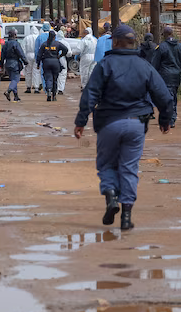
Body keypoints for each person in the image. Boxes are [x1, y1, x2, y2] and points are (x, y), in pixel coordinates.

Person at [74, 25, 174, 231]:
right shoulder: (144, 66)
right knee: (129, 168)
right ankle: (126, 216)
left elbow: (90, 94)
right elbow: (164, 96)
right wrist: (165, 120)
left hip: (109, 122)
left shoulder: (104, 65)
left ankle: (111, 197)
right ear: (132, 43)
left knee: (107, 164)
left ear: (115, 42)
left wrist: (81, 121)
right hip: (137, 124)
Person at [151, 26, 181, 128]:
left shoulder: (161, 47)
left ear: (164, 35)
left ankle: (170, 119)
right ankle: (172, 117)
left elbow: (155, 63)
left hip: (165, 76)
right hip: (176, 76)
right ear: (172, 34)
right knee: (173, 97)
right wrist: (178, 70)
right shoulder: (179, 46)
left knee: (168, 98)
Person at [36, 30, 70, 102]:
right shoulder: (57, 44)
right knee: (55, 79)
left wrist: (38, 64)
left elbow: (39, 55)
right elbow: (66, 49)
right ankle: (54, 96)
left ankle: (48, 90)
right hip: (55, 62)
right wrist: (60, 55)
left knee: (48, 78)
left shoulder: (44, 44)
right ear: (55, 37)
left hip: (46, 62)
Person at [1, 27, 28, 102]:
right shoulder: (16, 44)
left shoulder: (5, 44)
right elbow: (20, 53)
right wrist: (25, 61)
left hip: (7, 64)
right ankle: (8, 91)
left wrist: (1, 65)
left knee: (13, 80)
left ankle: (16, 96)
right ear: (15, 35)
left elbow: (2, 56)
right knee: (15, 79)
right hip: (15, 64)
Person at [21, 26, 41, 94]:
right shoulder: (38, 37)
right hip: (36, 55)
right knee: (36, 72)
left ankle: (28, 87)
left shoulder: (27, 38)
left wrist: (24, 58)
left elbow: (23, 48)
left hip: (28, 55)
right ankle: (36, 88)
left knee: (28, 72)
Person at [33, 22, 51, 93]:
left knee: (44, 73)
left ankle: (46, 88)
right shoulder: (52, 36)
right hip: (53, 57)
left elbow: (37, 50)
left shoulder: (39, 37)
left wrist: (37, 60)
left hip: (44, 58)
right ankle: (51, 88)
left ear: (43, 29)